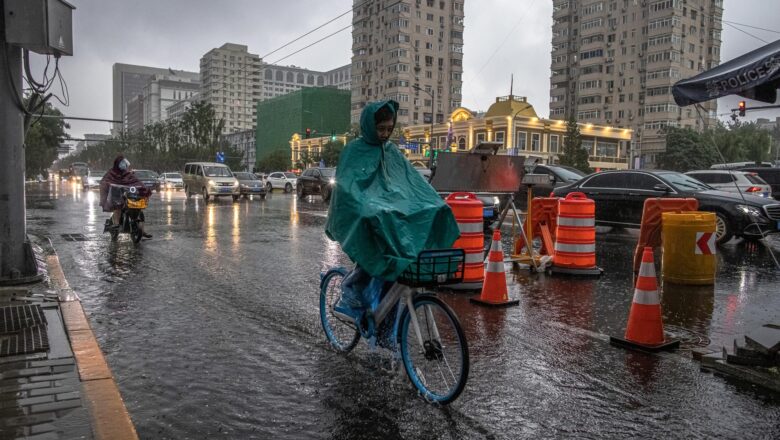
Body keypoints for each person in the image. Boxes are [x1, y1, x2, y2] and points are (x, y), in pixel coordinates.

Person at [325, 100, 460, 316]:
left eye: (389, 129)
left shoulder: (392, 151)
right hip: (359, 213)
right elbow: (348, 186)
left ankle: (384, 319)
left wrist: (434, 202)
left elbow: (411, 182)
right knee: (374, 245)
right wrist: (369, 205)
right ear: (370, 126)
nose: (385, 134)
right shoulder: (354, 151)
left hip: (387, 208)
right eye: (381, 129)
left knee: (427, 215)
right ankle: (351, 289)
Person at [100, 155, 152, 239]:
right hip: (116, 195)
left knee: (139, 209)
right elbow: (105, 181)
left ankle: (142, 230)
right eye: (122, 163)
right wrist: (109, 184)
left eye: (124, 163)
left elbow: (136, 181)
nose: (124, 165)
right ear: (118, 164)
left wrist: (143, 187)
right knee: (118, 207)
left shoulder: (127, 173)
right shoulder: (111, 172)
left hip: (128, 194)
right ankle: (116, 224)